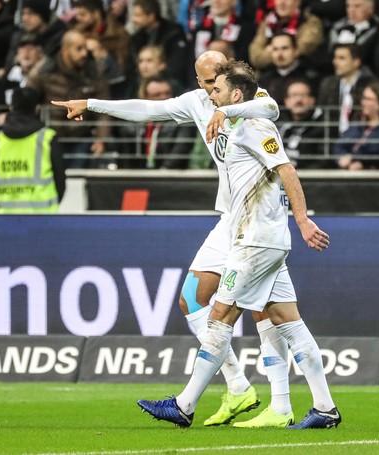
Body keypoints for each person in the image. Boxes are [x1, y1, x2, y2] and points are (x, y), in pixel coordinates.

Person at [52, 51, 294, 428]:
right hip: (229, 219)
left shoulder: (247, 98)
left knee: (264, 308)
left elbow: (273, 109)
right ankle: (238, 384)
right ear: (199, 82)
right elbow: (147, 109)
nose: (215, 85)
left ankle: (278, 402)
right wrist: (92, 104)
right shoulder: (197, 102)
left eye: (220, 77)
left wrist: (227, 111)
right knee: (191, 297)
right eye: (208, 81)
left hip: (257, 219)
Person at [137, 60, 341, 430]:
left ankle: (184, 405)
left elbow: (287, 169)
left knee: (220, 316)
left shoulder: (254, 126)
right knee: (287, 320)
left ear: (234, 94)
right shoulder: (233, 124)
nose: (208, 95)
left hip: (256, 241)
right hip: (257, 237)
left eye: (215, 90)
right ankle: (325, 408)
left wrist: (303, 220)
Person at [28, 29, 111, 168]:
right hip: (51, 136)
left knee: (77, 177)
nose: (85, 53)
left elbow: (103, 110)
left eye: (85, 48)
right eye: (79, 49)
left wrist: (101, 139)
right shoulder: (45, 70)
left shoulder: (95, 72)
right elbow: (27, 99)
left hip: (81, 137)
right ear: (65, 50)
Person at [0, 86, 66, 214]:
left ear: (11, 107)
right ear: (37, 108)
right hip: (43, 216)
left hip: (5, 216)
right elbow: (60, 179)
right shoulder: (46, 138)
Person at [116, 75, 195, 169]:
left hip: (172, 177)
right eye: (157, 95)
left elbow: (181, 150)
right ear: (145, 98)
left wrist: (164, 171)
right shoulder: (133, 125)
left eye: (167, 93)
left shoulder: (183, 122)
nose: (164, 98)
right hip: (138, 177)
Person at [332, 79, 379, 170]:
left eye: (368, 99)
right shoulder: (358, 124)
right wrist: (345, 161)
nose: (363, 102)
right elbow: (339, 145)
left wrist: (354, 158)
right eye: (363, 98)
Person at [316, 43, 375, 141]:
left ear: (356, 62)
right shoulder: (328, 84)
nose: (335, 62)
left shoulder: (370, 85)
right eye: (335, 58)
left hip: (362, 140)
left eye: (341, 58)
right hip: (332, 140)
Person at [129, 0, 191, 89]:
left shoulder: (173, 33)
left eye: (138, 15)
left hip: (170, 84)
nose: (133, 20)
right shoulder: (137, 38)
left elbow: (177, 66)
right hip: (142, 85)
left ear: (151, 16)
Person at [256, 32, 321, 107]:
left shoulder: (311, 77)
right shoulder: (264, 79)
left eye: (285, 48)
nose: (279, 54)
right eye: (275, 49)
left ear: (296, 51)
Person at [278, 78, 326, 168]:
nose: (299, 100)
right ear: (286, 101)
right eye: (294, 95)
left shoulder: (323, 128)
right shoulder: (281, 128)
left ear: (312, 100)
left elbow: (323, 162)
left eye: (303, 95)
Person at [191, 0, 256, 63]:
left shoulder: (245, 28)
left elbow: (245, 61)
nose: (217, 1)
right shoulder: (200, 28)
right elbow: (192, 62)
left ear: (234, 1)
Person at [327, 0, 379, 66]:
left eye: (357, 6)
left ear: (370, 9)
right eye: (348, 6)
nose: (351, 10)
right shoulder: (336, 28)